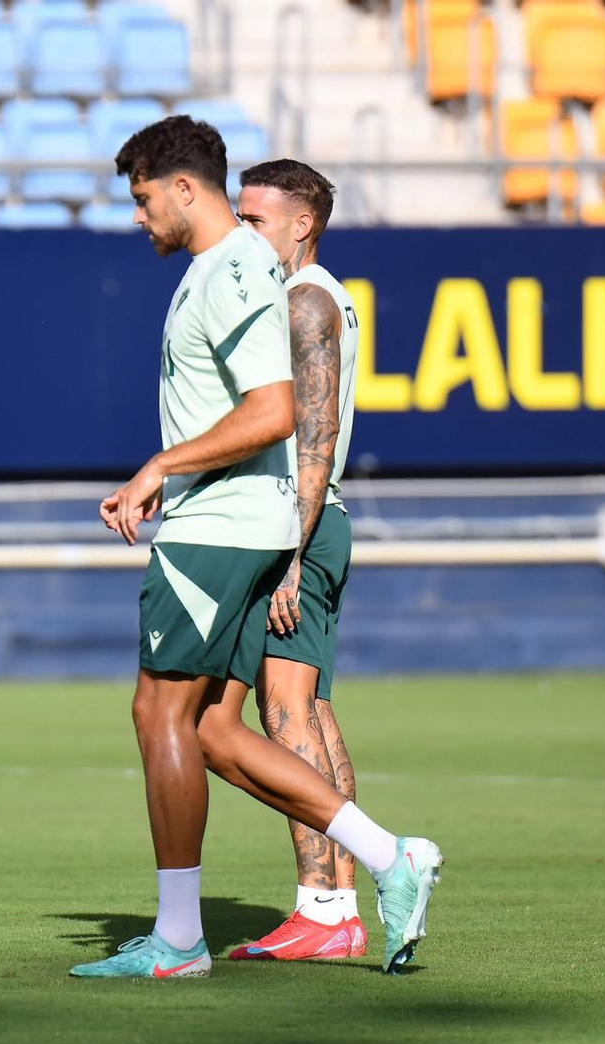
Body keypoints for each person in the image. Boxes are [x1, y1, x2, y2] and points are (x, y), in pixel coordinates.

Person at [70, 118, 440, 979]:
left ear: (183, 188)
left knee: (158, 714)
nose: (138, 217)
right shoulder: (239, 267)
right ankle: (391, 859)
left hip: (219, 529)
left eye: (142, 198)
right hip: (248, 526)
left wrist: (161, 464)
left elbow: (275, 412)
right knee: (216, 729)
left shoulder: (238, 269)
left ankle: (178, 939)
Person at [229, 160, 366, 962]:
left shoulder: (305, 300)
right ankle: (338, 903)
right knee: (309, 711)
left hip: (299, 527)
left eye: (255, 218)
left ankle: (324, 910)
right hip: (309, 524)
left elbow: (311, 445)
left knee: (281, 712)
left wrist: (290, 554)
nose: (243, 231)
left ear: (300, 225)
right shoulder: (310, 297)